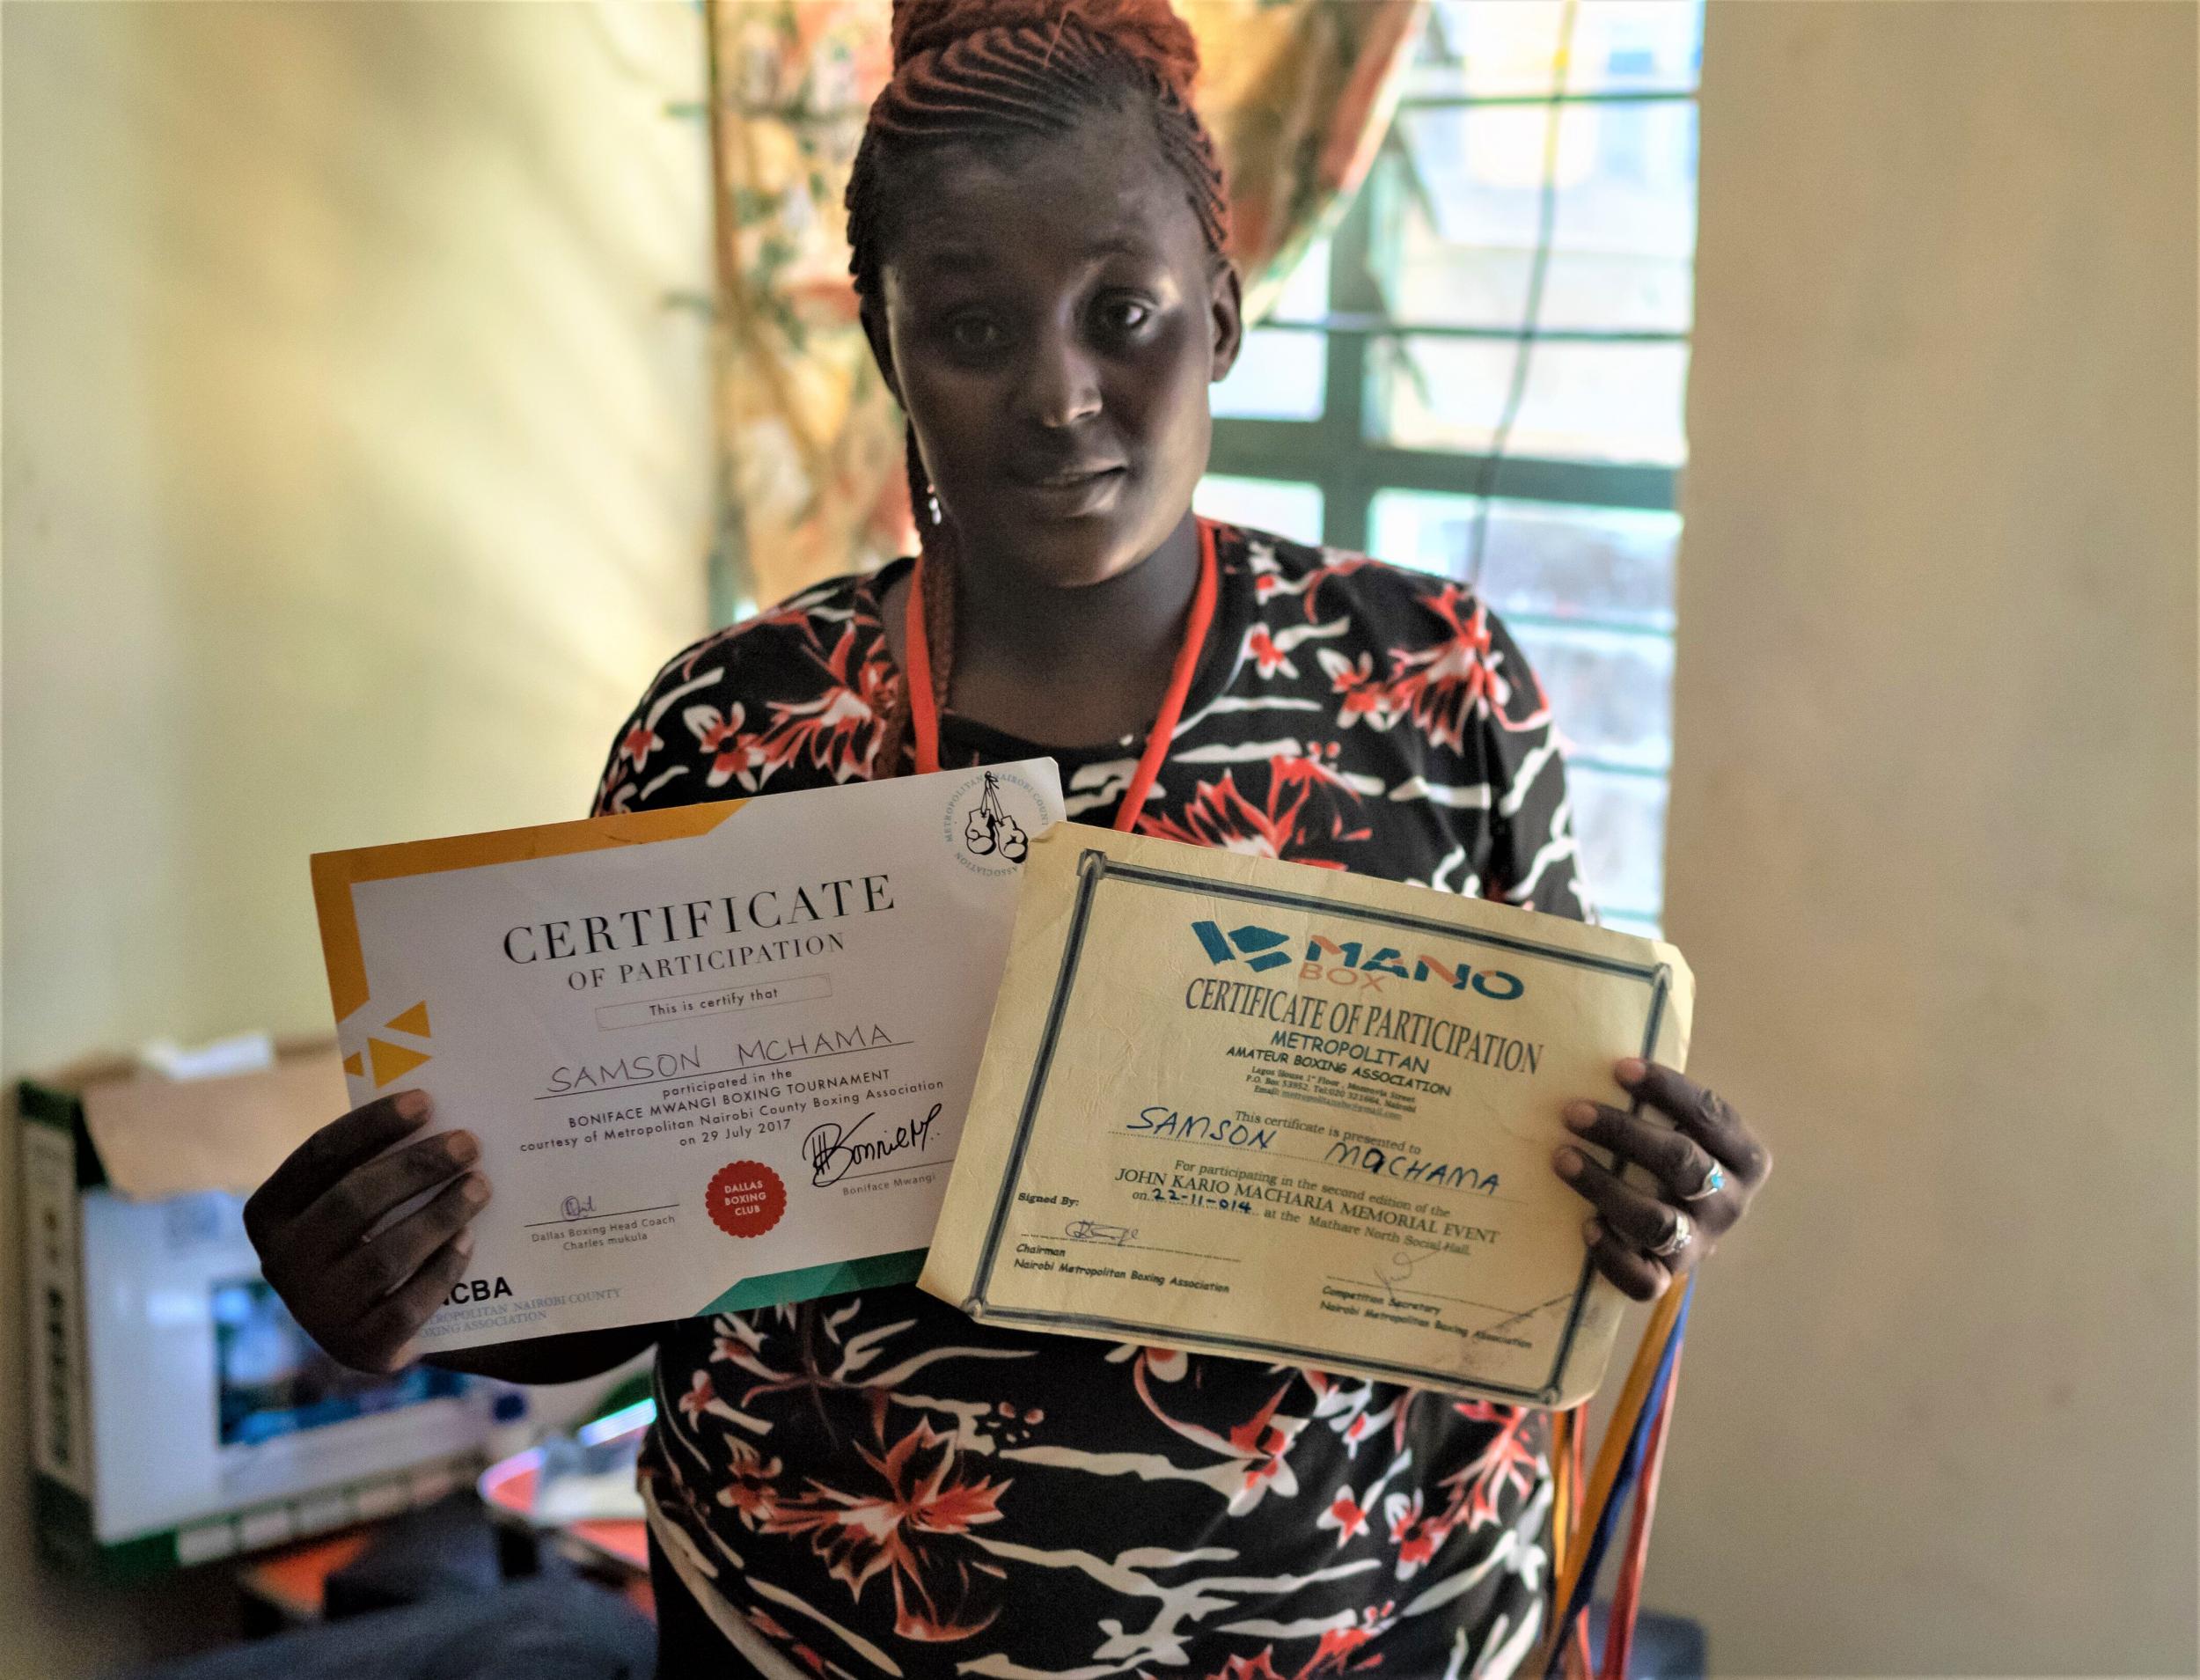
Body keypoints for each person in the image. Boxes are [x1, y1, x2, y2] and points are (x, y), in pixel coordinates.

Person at [243, 2, 1771, 1673]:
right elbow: (608, 1274)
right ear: (891, 350)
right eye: (972, 324)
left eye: (1123, 312)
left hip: (1378, 1635)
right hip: (806, 1642)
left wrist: (1637, 1206)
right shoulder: (738, 724)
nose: (1057, 394)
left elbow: (1530, 1178)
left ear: (1227, 306)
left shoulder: (1432, 682)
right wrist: (402, 1281)